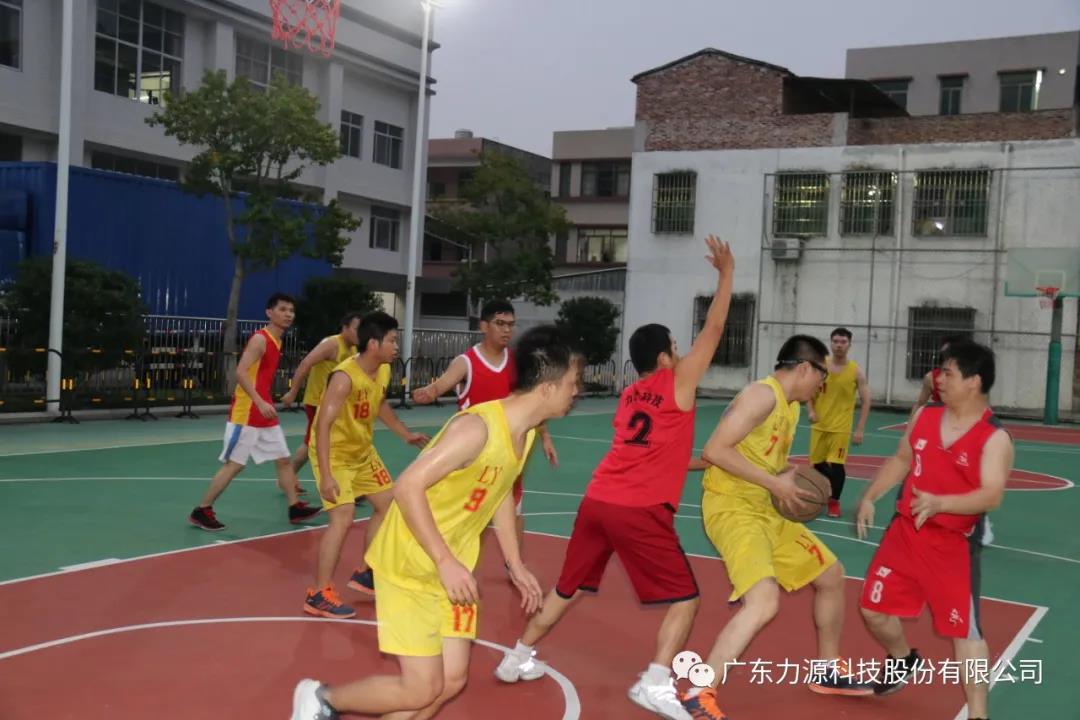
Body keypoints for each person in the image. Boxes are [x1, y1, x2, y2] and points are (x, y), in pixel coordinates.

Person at [289, 325, 583, 720]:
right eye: (573, 382)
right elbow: (408, 486)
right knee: (421, 687)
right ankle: (322, 699)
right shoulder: (477, 428)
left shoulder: (524, 433)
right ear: (547, 387)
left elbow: (498, 493)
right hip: (413, 561)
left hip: (451, 567)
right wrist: (445, 561)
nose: (576, 391)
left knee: (450, 681)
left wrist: (515, 564)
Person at [495, 235, 734, 720]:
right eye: (675, 347)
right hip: (638, 510)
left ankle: (515, 657)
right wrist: (727, 275)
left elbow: (644, 452)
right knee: (687, 599)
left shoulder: (630, 396)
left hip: (598, 501)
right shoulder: (678, 381)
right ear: (665, 357)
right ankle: (655, 682)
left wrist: (699, 463)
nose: (681, 352)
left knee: (571, 588)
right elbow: (715, 327)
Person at [681, 334, 873, 720]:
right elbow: (715, 450)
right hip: (734, 509)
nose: (822, 384)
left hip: (765, 508)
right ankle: (698, 693)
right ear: (804, 368)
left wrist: (789, 476)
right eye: (820, 375)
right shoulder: (761, 395)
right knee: (764, 602)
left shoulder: (790, 407)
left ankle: (827, 669)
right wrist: (775, 482)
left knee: (831, 575)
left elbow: (760, 457)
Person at [855, 340, 1011, 720]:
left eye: (948, 373)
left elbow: (991, 495)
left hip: (952, 545)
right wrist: (870, 497)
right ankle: (902, 658)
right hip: (905, 534)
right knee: (872, 610)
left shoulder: (994, 437)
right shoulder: (924, 415)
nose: (938, 379)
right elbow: (901, 459)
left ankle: (978, 714)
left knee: (965, 633)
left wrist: (941, 504)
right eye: (940, 371)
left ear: (974, 381)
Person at [302, 311, 430, 617]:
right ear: (373, 344)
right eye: (392, 340)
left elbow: (379, 403)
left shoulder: (382, 370)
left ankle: (367, 572)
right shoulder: (344, 377)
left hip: (362, 451)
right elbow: (322, 426)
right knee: (342, 517)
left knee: (388, 504)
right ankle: (318, 593)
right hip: (334, 453)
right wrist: (326, 475)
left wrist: (405, 434)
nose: (397, 346)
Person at [412, 299, 558, 556]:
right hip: (473, 453)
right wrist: (429, 391)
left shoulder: (517, 363)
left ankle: (514, 565)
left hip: (507, 451)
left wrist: (545, 436)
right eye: (500, 323)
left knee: (515, 510)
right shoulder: (466, 362)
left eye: (510, 325)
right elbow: (442, 384)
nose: (506, 330)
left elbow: (530, 403)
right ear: (483, 326)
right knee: (457, 512)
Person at [188, 293, 321, 531]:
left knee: (283, 460)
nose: (288, 314)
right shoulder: (260, 339)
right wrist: (259, 401)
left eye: (291, 310)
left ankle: (294, 507)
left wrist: (267, 401)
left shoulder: (277, 340)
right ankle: (202, 510)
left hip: (263, 411)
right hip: (247, 411)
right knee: (235, 464)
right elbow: (240, 372)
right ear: (269, 313)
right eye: (282, 309)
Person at [281, 311, 362, 477]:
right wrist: (293, 392)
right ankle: (289, 477)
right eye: (356, 329)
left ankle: (288, 477)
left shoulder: (354, 349)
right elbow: (305, 364)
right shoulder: (331, 344)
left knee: (321, 442)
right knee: (316, 442)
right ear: (345, 327)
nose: (360, 333)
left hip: (336, 404)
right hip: (318, 402)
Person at [807, 327, 872, 517]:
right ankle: (830, 486)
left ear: (849, 345)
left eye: (843, 342)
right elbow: (808, 390)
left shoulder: (856, 372)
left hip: (840, 428)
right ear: (831, 343)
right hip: (820, 426)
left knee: (836, 465)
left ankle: (834, 502)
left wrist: (860, 429)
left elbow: (866, 401)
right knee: (817, 464)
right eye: (835, 341)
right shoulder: (821, 366)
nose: (839, 345)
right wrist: (811, 410)